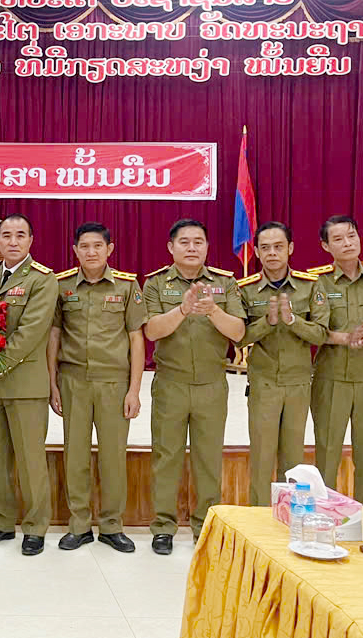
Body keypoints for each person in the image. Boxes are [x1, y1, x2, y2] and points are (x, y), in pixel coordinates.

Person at [142, 218, 245, 554]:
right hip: (170, 384)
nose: (191, 247)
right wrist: (183, 309)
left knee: (208, 459)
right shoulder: (156, 283)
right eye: (184, 242)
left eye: (198, 241)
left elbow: (238, 332)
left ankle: (206, 526)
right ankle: (163, 526)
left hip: (211, 385)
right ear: (171, 247)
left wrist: (213, 310)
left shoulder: (225, 283)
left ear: (207, 247)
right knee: (166, 457)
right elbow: (152, 331)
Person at [48, 222, 146, 552]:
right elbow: (54, 336)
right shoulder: (62, 286)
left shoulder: (127, 286)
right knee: (75, 456)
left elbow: (136, 338)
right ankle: (79, 525)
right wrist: (53, 383)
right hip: (73, 381)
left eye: (97, 246)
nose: (91, 252)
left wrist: (134, 390)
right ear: (75, 250)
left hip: (113, 384)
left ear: (109, 249)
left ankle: (111, 525)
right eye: (84, 246)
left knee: (113, 458)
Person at [0, 214, 56, 556]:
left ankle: (35, 526)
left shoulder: (42, 280)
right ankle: (2, 521)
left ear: (31, 240)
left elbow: (29, 334)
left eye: (21, 235)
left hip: (25, 385)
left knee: (30, 461)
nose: (13, 241)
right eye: (7, 235)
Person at [236, 222, 329, 506]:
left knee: (293, 459)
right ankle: (259, 518)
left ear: (290, 248)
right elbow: (239, 337)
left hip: (298, 383)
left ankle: (291, 517)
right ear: (256, 252)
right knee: (261, 457)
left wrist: (292, 320)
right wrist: (268, 321)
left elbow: (321, 334)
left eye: (278, 247)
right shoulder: (246, 289)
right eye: (265, 248)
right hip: (263, 383)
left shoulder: (310, 286)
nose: (272, 253)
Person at [308, 215, 363, 506]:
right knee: (328, 450)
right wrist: (348, 337)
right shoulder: (318, 280)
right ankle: (324, 512)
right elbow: (317, 330)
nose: (347, 243)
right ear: (325, 246)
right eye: (338, 239)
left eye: (352, 236)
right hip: (331, 377)